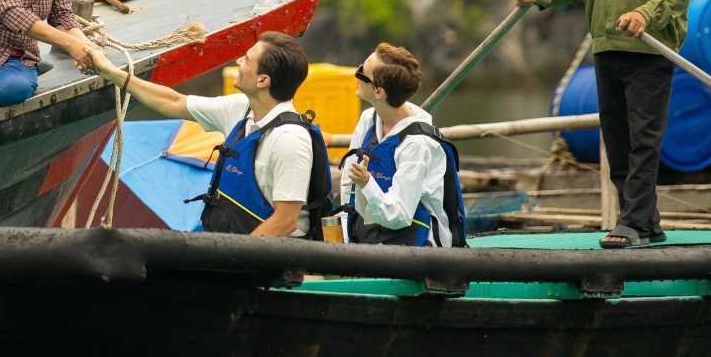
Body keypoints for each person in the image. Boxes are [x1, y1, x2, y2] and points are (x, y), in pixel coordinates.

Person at [511, 0, 694, 249]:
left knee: (644, 139)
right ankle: (647, 222)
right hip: (606, 49)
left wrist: (644, 13)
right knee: (617, 139)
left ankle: (629, 221)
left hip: (650, 50)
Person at [88, 32, 332, 238]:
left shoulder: (290, 139)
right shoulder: (241, 108)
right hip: (233, 248)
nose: (238, 61)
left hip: (269, 261)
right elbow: (174, 102)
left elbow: (286, 221)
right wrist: (111, 72)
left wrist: (233, 257)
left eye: (246, 60)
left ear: (262, 80)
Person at [340, 43, 465, 247]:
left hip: (417, 246)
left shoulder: (418, 143)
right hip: (370, 238)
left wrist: (367, 183)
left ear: (378, 92)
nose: (357, 73)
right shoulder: (368, 120)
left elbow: (398, 215)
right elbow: (348, 187)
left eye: (363, 72)